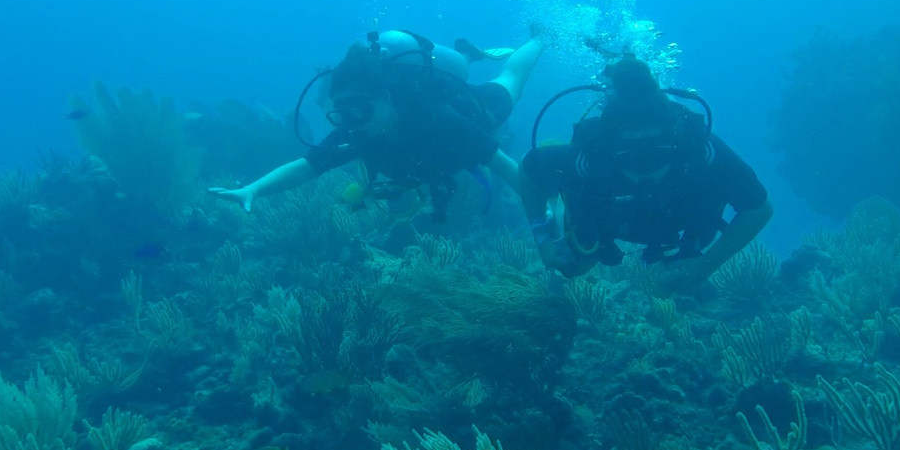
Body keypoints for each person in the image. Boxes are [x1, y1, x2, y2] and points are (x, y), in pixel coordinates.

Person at [209, 30, 543, 221]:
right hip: (430, 156)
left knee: (512, 79)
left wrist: (543, 224)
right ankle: (466, 57)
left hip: (475, 110)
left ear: (385, 97)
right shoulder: (360, 127)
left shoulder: (440, 119)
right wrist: (252, 189)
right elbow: (307, 166)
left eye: (358, 109)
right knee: (486, 70)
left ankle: (540, 37)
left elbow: (508, 170)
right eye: (342, 111)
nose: (350, 121)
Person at [520, 55, 772, 290]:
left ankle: (689, 250)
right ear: (611, 147)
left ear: (674, 144)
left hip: (685, 222)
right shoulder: (593, 151)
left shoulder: (696, 147)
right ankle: (557, 212)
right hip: (607, 220)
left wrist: (705, 266)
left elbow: (759, 207)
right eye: (632, 158)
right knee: (573, 268)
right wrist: (543, 237)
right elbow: (530, 168)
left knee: (689, 268)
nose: (645, 171)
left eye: (655, 155)